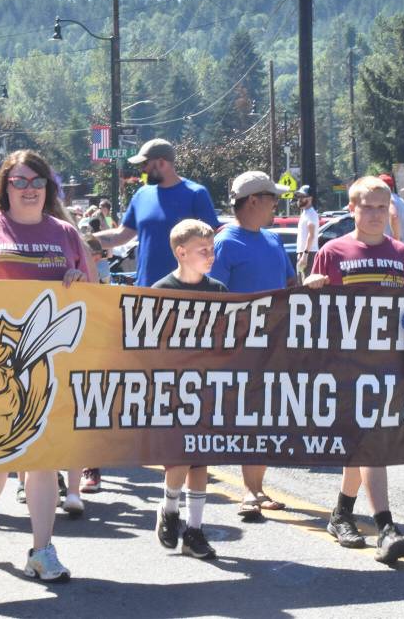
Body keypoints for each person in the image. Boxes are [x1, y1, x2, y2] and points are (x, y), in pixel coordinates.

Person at [0, 149, 91, 582]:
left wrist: (80, 283)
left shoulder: (65, 233)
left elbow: (92, 296)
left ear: (48, 188)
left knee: (43, 458)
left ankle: (42, 550)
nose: (28, 189)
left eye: (36, 181)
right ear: (4, 188)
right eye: (18, 181)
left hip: (50, 362)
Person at [305, 175, 404, 563]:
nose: (374, 214)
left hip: (389, 365)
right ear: (352, 209)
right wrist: (310, 287)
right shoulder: (333, 251)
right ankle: (386, 526)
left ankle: (341, 514)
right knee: (371, 442)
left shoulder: (403, 255)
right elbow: (311, 314)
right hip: (347, 366)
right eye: (366, 206)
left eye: (382, 207)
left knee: (364, 443)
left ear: (391, 211)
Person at [209, 171, 296, 520]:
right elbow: (212, 299)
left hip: (274, 344)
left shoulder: (273, 240)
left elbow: (290, 283)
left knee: (264, 418)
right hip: (238, 348)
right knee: (245, 419)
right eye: (271, 197)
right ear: (253, 201)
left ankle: (256, 489)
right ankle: (246, 491)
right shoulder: (225, 242)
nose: (277, 203)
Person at [151, 219, 226, 559]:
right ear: (181, 252)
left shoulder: (219, 290)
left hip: (208, 388)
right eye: (203, 250)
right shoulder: (161, 290)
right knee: (179, 458)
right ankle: (168, 510)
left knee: (201, 461)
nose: (210, 255)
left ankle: (195, 530)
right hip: (174, 388)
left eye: (212, 249)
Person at [95, 139, 219, 287]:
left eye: (145, 164)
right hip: (146, 290)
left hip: (187, 292)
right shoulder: (141, 195)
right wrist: (84, 240)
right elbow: (121, 235)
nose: (142, 169)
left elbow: (213, 241)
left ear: (161, 163)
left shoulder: (196, 194)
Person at [294, 185, 319, 282]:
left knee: (305, 286)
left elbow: (311, 235)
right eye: (299, 196)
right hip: (305, 253)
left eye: (302, 196)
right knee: (300, 283)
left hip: (309, 254)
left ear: (310, 198)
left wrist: (305, 255)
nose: (299, 199)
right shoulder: (305, 213)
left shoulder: (311, 214)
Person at [379, 174, 404, 242]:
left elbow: (394, 216)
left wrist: (396, 240)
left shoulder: (387, 199)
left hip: (391, 246)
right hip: (403, 245)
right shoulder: (401, 201)